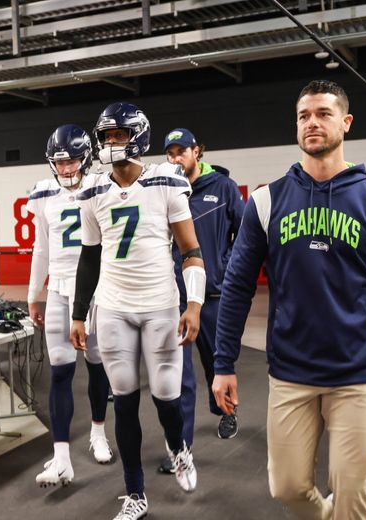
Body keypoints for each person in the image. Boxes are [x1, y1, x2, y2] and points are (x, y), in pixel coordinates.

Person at [212, 80, 366, 520]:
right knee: (288, 487)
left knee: (353, 494)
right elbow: (236, 287)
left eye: (323, 114)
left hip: (356, 373)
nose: (312, 122)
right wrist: (224, 363)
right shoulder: (266, 202)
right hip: (291, 371)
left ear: (346, 123)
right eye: (303, 115)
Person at [69, 102, 205, 520]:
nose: (111, 143)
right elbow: (89, 258)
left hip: (160, 304)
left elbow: (191, 250)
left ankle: (179, 449)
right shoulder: (92, 190)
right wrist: (78, 313)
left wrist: (194, 304)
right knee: (124, 402)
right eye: (106, 136)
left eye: (119, 136)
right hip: (113, 307)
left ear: (139, 137)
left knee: (167, 398)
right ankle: (135, 494)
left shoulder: (166, 180)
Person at [26, 124, 113, 487]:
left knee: (96, 367)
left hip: (95, 290)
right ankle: (61, 457)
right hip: (60, 289)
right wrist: (35, 294)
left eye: (72, 159)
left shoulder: (103, 186)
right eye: (59, 161)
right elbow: (42, 248)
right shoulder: (45, 193)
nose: (65, 168)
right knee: (60, 371)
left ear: (86, 157)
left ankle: (97, 431)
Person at [157, 128, 244, 476]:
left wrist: (226, 263)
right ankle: (182, 447)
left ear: (198, 152)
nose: (176, 158)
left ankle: (227, 412)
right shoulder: (166, 190)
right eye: (170, 153)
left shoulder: (224, 189)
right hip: (176, 298)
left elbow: (247, 233)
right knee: (180, 376)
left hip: (213, 297)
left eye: (182, 151)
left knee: (216, 364)